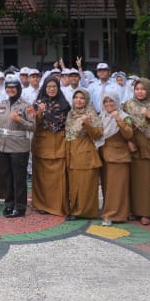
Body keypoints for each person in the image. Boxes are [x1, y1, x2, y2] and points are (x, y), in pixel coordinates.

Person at [123, 78, 150, 225]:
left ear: (148, 90)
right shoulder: (128, 105)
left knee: (148, 182)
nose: (139, 92)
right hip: (133, 147)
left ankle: (148, 213)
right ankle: (134, 210)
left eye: (143, 89)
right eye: (137, 89)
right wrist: (128, 142)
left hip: (149, 148)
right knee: (134, 182)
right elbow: (123, 125)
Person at [0, 78, 34, 217]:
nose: (11, 89)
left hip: (19, 148)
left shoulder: (27, 106)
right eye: (8, 87)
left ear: (19, 88)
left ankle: (20, 207)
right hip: (3, 146)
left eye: (14, 87)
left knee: (19, 178)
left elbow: (33, 126)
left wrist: (19, 120)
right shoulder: (2, 104)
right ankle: (9, 204)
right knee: (7, 177)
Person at [31, 77, 71, 217]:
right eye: (48, 87)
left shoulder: (65, 105)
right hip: (42, 144)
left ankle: (58, 206)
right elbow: (31, 124)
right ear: (44, 88)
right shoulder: (37, 104)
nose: (51, 89)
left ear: (58, 88)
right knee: (42, 177)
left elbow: (68, 124)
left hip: (59, 143)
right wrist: (39, 113)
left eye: (54, 86)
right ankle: (41, 204)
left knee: (58, 178)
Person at [64, 88, 103, 221]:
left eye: (81, 98)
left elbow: (98, 134)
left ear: (86, 100)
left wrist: (87, 124)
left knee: (85, 185)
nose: (78, 100)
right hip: (72, 151)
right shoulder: (70, 113)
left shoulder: (90, 114)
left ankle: (84, 212)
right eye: (76, 98)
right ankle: (76, 209)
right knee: (75, 184)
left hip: (85, 153)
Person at [98, 90, 134, 226]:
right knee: (108, 187)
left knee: (116, 188)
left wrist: (118, 119)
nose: (108, 104)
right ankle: (115, 212)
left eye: (111, 101)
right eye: (105, 101)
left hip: (118, 157)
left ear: (117, 102)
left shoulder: (125, 117)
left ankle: (111, 215)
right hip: (104, 156)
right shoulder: (101, 116)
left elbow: (129, 134)